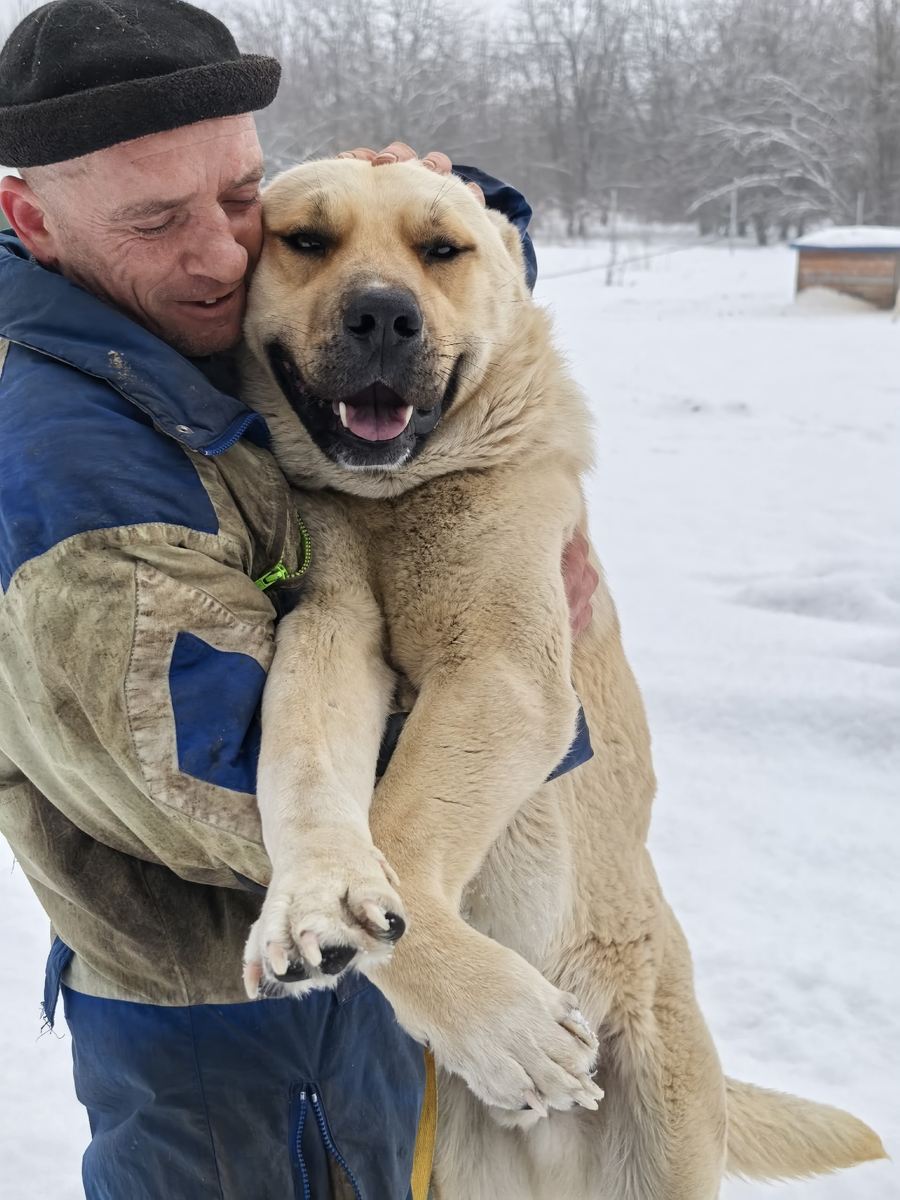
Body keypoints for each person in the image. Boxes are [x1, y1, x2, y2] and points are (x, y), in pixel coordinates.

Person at [0, 1, 598, 1196]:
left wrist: (453, 212)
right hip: (232, 1043)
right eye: (161, 220)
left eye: (240, 199)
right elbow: (211, 784)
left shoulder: (157, 320)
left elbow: (371, 246)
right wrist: (515, 674)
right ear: (28, 217)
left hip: (351, 1019)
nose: (224, 254)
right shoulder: (70, 479)